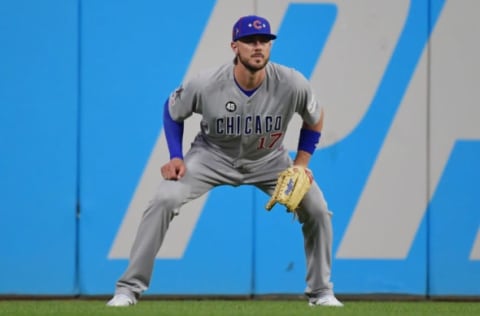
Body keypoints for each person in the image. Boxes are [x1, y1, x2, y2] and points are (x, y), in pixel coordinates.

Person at [107, 14, 343, 307]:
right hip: (211, 156)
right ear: (234, 46)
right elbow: (172, 111)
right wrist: (176, 157)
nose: (258, 47)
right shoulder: (205, 83)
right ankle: (128, 289)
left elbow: (315, 118)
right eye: (250, 41)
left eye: (264, 41)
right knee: (164, 199)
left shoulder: (292, 82)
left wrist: (301, 164)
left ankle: (321, 292)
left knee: (318, 209)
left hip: (269, 159)